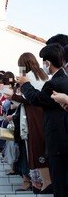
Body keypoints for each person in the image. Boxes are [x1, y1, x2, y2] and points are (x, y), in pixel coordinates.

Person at [17, 44, 68, 197]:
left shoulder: (54, 83)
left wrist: (25, 84)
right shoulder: (64, 80)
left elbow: (36, 99)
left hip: (57, 138)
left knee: (59, 182)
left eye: (44, 62)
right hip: (63, 135)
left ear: (48, 63)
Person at [5, 53, 52, 193]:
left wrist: (13, 96)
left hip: (35, 115)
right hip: (42, 114)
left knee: (37, 147)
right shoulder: (42, 75)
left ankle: (45, 183)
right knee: (42, 146)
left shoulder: (30, 76)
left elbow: (30, 98)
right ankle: (43, 182)